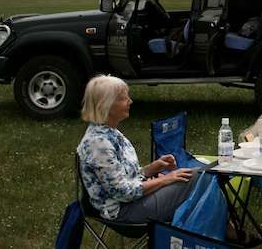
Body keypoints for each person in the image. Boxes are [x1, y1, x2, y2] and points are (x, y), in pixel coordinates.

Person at [77, 75, 197, 223]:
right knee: (197, 177)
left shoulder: (110, 132)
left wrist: (151, 169)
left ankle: (218, 231)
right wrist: (166, 179)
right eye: (123, 98)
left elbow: (125, 178)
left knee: (199, 176)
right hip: (124, 211)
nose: (130, 101)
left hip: (133, 201)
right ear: (105, 105)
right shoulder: (98, 144)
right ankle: (220, 233)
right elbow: (124, 193)